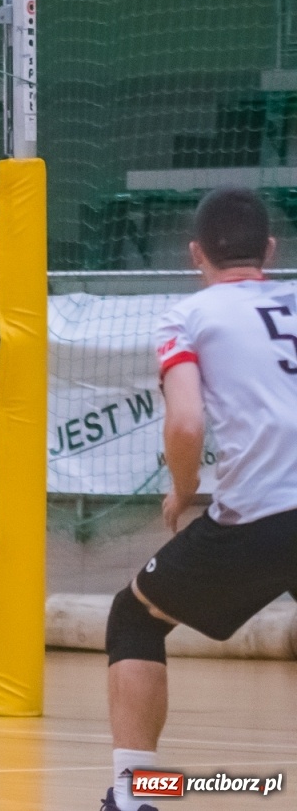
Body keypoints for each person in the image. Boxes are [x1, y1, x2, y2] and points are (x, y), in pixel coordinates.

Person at [101, 188, 297, 811]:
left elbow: (185, 425)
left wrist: (181, 493)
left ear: (195, 254)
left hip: (261, 511)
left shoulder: (189, 315)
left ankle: (135, 797)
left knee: (134, 616)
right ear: (270, 248)